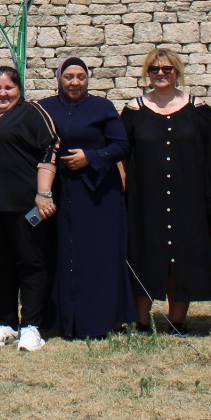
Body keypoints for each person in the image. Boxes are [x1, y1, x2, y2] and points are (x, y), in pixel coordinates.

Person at [122, 48, 211, 335]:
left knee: (183, 255)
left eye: (167, 69)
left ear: (177, 72)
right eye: (154, 69)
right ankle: (140, 320)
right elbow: (122, 155)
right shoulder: (133, 111)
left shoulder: (199, 110)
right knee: (145, 253)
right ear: (147, 74)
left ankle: (178, 320)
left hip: (188, 196)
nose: (160, 74)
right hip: (145, 197)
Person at [0, 65, 58, 352]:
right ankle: (6, 323)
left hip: (24, 205)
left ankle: (31, 326)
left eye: (9, 88)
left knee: (30, 263)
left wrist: (43, 192)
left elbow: (51, 146)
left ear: (19, 89)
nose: (2, 93)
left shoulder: (32, 113)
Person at [39, 57, 133, 339]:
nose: (75, 82)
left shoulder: (102, 107)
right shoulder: (45, 108)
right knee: (60, 252)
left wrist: (90, 157)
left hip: (98, 193)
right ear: (59, 78)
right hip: (58, 191)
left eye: (81, 77)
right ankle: (60, 319)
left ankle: (100, 319)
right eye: (69, 77)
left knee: (97, 254)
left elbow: (121, 145)